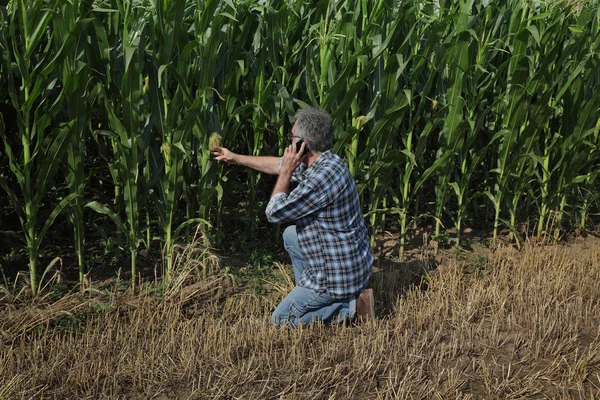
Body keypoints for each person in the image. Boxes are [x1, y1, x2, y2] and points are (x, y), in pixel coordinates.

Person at [212, 107, 374, 326]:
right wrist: (235, 158)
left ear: (302, 145)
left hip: (336, 276)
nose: (289, 142)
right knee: (291, 234)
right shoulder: (326, 162)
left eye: (291, 138)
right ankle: (310, 293)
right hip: (346, 259)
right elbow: (277, 164)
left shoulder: (320, 180)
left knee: (281, 319)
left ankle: (350, 307)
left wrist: (287, 172)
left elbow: (274, 212)